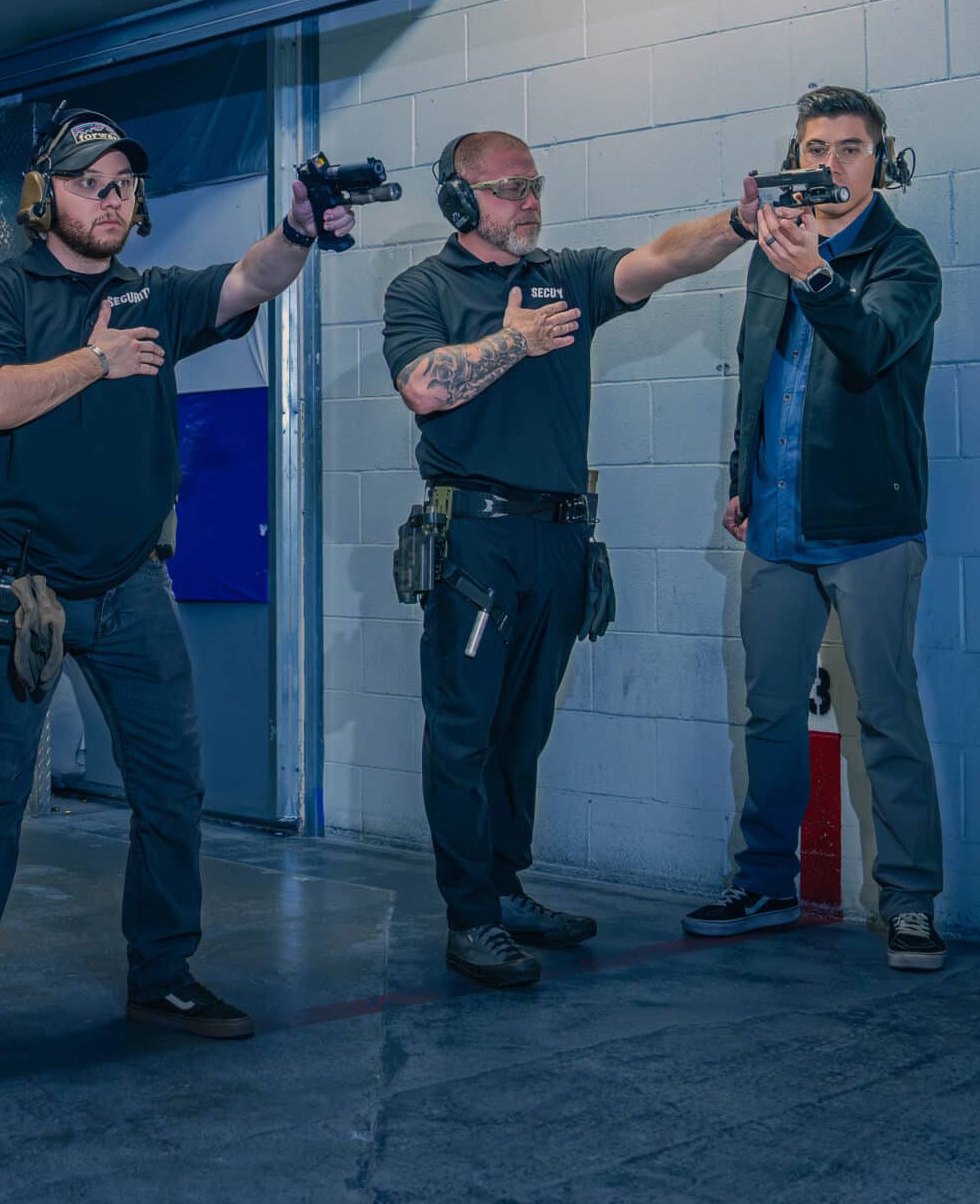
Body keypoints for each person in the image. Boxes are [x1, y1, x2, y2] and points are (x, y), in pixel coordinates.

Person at [0, 106, 351, 1053]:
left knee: (170, 789)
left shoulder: (153, 293)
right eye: (89, 183)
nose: (111, 201)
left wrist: (299, 231)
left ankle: (163, 976)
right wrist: (95, 359)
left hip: (130, 590)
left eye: (123, 186)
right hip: (18, 589)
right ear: (43, 198)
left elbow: (245, 282)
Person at [381, 129, 760, 989]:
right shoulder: (424, 288)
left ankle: (506, 889)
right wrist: (513, 341)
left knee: (523, 732)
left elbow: (662, 258)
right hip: (473, 539)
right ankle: (470, 918)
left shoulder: (566, 276)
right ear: (459, 200)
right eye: (509, 188)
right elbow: (423, 387)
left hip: (558, 539)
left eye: (534, 185)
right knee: (464, 736)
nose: (529, 202)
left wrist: (738, 222)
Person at [682, 85, 948, 972]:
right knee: (769, 713)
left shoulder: (906, 260)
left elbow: (869, 350)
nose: (830, 164)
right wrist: (739, 478)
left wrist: (816, 276)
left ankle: (909, 900)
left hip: (871, 527)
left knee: (887, 713)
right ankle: (765, 881)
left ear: (884, 162)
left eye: (850, 148)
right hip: (777, 523)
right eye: (816, 147)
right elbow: (755, 371)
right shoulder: (771, 254)